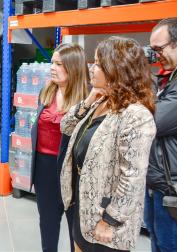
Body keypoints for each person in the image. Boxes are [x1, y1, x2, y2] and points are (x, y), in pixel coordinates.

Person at [60, 36, 156, 252]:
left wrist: (110, 220)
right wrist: (89, 99)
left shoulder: (136, 115)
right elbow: (65, 126)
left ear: (117, 70)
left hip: (106, 222)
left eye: (99, 64)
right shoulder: (102, 101)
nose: (92, 69)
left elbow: (133, 177)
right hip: (83, 209)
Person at [31, 43, 89, 252]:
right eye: (52, 63)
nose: (52, 68)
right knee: (47, 222)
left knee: (76, 226)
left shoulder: (87, 99)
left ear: (73, 68)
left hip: (72, 169)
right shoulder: (45, 92)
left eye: (58, 64)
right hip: (44, 167)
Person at [145, 17, 177, 252]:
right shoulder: (169, 77)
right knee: (157, 241)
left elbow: (153, 122)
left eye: (159, 49)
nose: (156, 56)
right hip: (157, 182)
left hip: (171, 189)